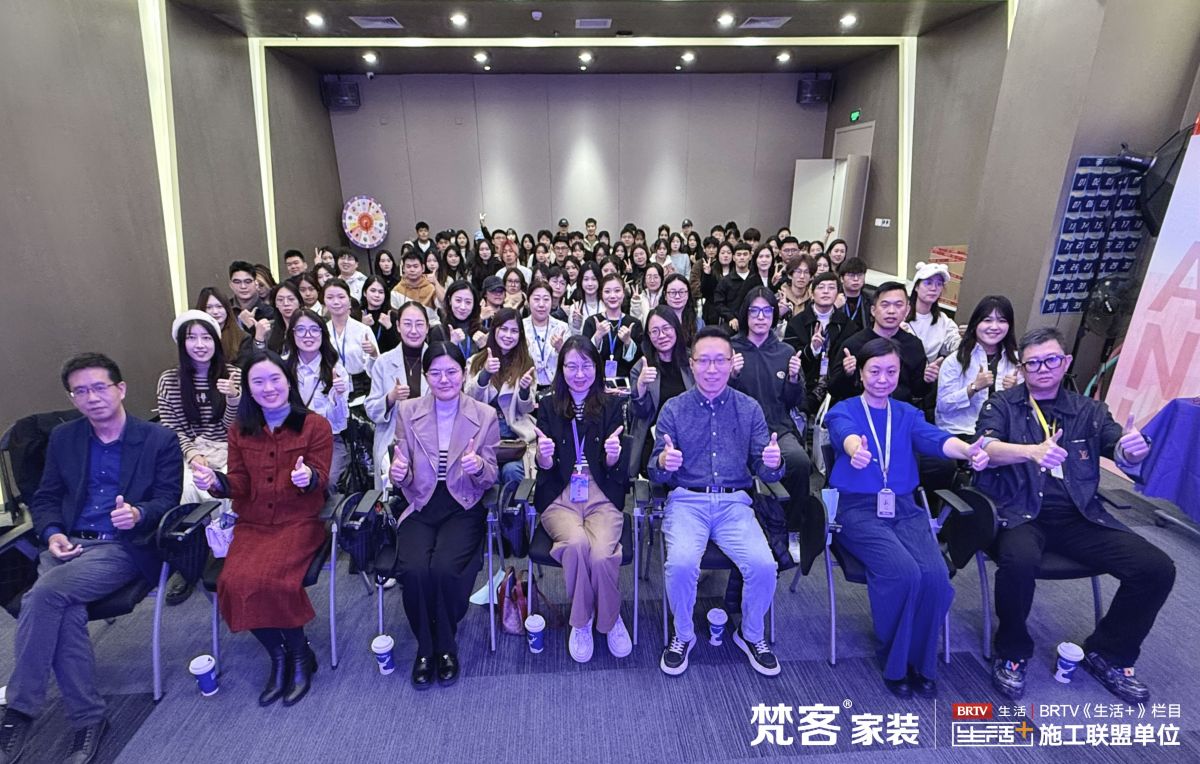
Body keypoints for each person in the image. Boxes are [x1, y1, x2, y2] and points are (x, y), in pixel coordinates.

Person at [976, 327, 1174, 704]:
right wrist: (1030, 451)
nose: (1042, 369)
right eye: (1033, 363)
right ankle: (1012, 651)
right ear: (1022, 368)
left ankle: (1109, 653)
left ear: (1065, 362)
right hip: (1020, 513)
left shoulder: (1089, 411)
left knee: (1156, 567)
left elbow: (1118, 447)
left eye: (1051, 360)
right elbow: (986, 447)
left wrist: (1131, 452)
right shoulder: (1002, 404)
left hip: (1080, 516)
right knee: (1018, 561)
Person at [1, 354, 182, 763]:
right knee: (64, 611)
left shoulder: (158, 440)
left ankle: (19, 710)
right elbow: (46, 497)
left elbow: (166, 500)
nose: (92, 397)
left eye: (100, 387)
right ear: (72, 398)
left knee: (43, 596)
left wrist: (138, 513)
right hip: (68, 545)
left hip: (120, 547)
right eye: (80, 391)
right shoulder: (64, 439)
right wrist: (52, 532)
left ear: (121, 389)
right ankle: (89, 718)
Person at [825, 337, 988, 697]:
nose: (883, 379)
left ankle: (922, 662)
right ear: (861, 373)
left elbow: (936, 439)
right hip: (855, 509)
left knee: (935, 576)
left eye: (891, 371)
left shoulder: (907, 414)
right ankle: (895, 661)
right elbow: (844, 435)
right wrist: (855, 450)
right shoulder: (844, 409)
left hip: (904, 508)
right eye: (874, 371)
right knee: (903, 572)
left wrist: (966, 450)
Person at [191, 350, 334, 707]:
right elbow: (239, 482)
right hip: (253, 524)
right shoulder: (240, 430)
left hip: (299, 522)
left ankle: (299, 654)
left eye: (275, 379)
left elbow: (321, 478)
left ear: (288, 381)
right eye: (258, 381)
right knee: (233, 583)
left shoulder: (315, 425)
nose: (268, 388)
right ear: (248, 388)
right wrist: (216, 482)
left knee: (274, 582)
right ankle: (278, 654)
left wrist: (307, 477)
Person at [648, 327, 783, 678]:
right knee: (680, 565)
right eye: (704, 361)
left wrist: (772, 463)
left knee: (764, 566)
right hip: (686, 502)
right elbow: (653, 470)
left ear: (731, 364)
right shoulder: (674, 409)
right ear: (692, 364)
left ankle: (751, 634)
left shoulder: (749, 408)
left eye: (719, 361)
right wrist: (663, 462)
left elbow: (765, 469)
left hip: (734, 504)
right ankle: (683, 634)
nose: (712, 369)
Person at [387, 343, 500, 688]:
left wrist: (478, 467)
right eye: (435, 373)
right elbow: (403, 469)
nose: (444, 379)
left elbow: (491, 474)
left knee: (445, 569)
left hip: (462, 503)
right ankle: (426, 647)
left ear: (464, 374)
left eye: (451, 371)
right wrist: (399, 474)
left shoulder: (484, 414)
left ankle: (445, 643)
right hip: (421, 501)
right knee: (414, 570)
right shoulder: (408, 410)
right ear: (426, 376)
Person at [531, 337, 632, 663]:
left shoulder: (611, 405)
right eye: (571, 366)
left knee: (601, 556)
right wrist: (544, 456)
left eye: (586, 365)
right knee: (575, 545)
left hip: (601, 492)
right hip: (560, 495)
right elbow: (544, 467)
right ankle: (582, 621)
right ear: (561, 369)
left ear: (596, 368)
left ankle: (610, 618)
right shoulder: (548, 405)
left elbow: (616, 468)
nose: (579, 373)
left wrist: (613, 455)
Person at [157, 310, 241, 604]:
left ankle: (230, 553)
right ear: (182, 343)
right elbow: (171, 427)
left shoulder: (233, 374)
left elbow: (235, 428)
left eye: (206, 337)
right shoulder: (169, 380)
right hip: (190, 449)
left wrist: (233, 397)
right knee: (184, 491)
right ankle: (190, 563)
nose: (200, 344)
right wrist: (192, 455)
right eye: (192, 338)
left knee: (231, 486)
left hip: (230, 446)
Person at [730, 289, 811, 539]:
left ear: (775, 315)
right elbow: (716, 395)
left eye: (767, 311)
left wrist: (794, 379)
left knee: (799, 462)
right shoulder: (731, 349)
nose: (760, 317)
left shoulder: (785, 351)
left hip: (777, 429)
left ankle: (791, 530)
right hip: (737, 431)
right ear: (745, 314)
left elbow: (794, 402)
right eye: (754, 311)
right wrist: (731, 375)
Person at [827, 281, 934, 408]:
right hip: (859, 411)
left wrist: (927, 380)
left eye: (898, 305)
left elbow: (918, 392)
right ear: (873, 310)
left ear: (907, 310)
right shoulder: (853, 344)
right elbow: (833, 390)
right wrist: (846, 374)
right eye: (885, 305)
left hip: (899, 412)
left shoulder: (914, 345)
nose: (891, 311)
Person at [466, 308, 537, 487]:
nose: (508, 335)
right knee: (491, 474)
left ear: (520, 335)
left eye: (514, 331)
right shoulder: (476, 361)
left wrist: (524, 391)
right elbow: (468, 400)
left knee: (512, 471)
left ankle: (515, 507)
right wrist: (485, 374)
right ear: (494, 330)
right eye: (503, 329)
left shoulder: (526, 363)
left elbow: (527, 408)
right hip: (484, 436)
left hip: (515, 437)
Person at [936, 295, 1022, 435]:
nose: (994, 327)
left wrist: (1015, 391)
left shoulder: (1017, 361)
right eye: (987, 320)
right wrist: (973, 388)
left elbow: (1027, 410)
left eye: (1002, 321)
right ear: (975, 323)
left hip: (1001, 433)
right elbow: (943, 407)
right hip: (962, 431)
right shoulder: (956, 360)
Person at [366, 302, 430, 489]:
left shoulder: (437, 360)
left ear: (427, 327)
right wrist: (391, 398)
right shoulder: (383, 362)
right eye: (407, 324)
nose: (413, 330)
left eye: (419, 324)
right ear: (398, 326)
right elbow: (371, 410)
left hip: (430, 440)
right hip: (393, 439)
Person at [629, 307, 694, 477]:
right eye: (655, 331)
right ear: (648, 336)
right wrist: (641, 385)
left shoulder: (693, 362)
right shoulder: (642, 367)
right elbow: (640, 413)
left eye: (666, 328)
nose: (662, 335)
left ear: (676, 328)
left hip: (692, 437)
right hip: (656, 441)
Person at [783, 272, 852, 414]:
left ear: (838, 294)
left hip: (836, 390)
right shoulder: (797, 323)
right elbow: (789, 358)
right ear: (812, 294)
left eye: (831, 287)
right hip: (806, 387)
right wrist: (812, 349)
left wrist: (849, 369)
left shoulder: (847, 325)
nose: (826, 291)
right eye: (821, 287)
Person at [582, 273, 643, 380]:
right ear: (601, 294)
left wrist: (628, 342)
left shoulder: (634, 323)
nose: (612, 296)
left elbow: (639, 359)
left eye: (617, 291)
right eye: (607, 291)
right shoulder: (592, 322)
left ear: (623, 293)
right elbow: (584, 356)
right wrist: (597, 336)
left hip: (626, 382)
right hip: (596, 381)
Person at [324, 278, 379, 396]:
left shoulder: (363, 330)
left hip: (362, 388)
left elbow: (376, 369)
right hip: (332, 388)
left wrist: (373, 353)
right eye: (330, 297)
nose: (336, 302)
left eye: (341, 297)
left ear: (349, 301)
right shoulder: (322, 331)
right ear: (324, 301)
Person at [905, 262, 960, 363]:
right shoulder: (900, 314)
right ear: (916, 287)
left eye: (939, 284)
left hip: (929, 371)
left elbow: (955, 343)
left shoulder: (943, 321)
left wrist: (967, 339)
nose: (934, 288)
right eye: (928, 283)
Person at [523, 281, 570, 392]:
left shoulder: (562, 327)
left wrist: (561, 348)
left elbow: (571, 361)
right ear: (528, 301)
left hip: (556, 389)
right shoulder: (520, 327)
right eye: (536, 299)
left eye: (546, 299)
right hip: (528, 388)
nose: (541, 304)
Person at [196, 286, 247, 363]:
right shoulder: (195, 338)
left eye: (219, 306)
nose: (215, 312)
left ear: (227, 309)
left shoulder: (242, 338)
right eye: (209, 307)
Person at [714, 243, 752, 330]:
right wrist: (730, 317)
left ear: (750, 256)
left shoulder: (755, 279)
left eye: (745, 254)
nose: (742, 257)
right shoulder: (725, 281)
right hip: (731, 323)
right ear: (734, 258)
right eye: (739, 255)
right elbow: (719, 303)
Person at [229, 260, 274, 335]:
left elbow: (270, 341)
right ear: (231, 285)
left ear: (256, 284)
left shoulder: (270, 312)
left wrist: (251, 326)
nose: (243, 286)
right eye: (237, 282)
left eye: (248, 281)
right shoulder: (225, 309)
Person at [360, 275, 401, 354]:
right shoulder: (358, 314)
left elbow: (399, 348)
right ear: (365, 293)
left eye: (381, 292)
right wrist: (362, 326)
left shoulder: (392, 315)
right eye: (373, 291)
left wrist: (389, 327)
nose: (377, 295)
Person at [836, 257, 871, 332]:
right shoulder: (834, 298)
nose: (856, 279)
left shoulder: (871, 300)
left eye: (860, 275)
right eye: (851, 275)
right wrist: (834, 307)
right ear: (841, 278)